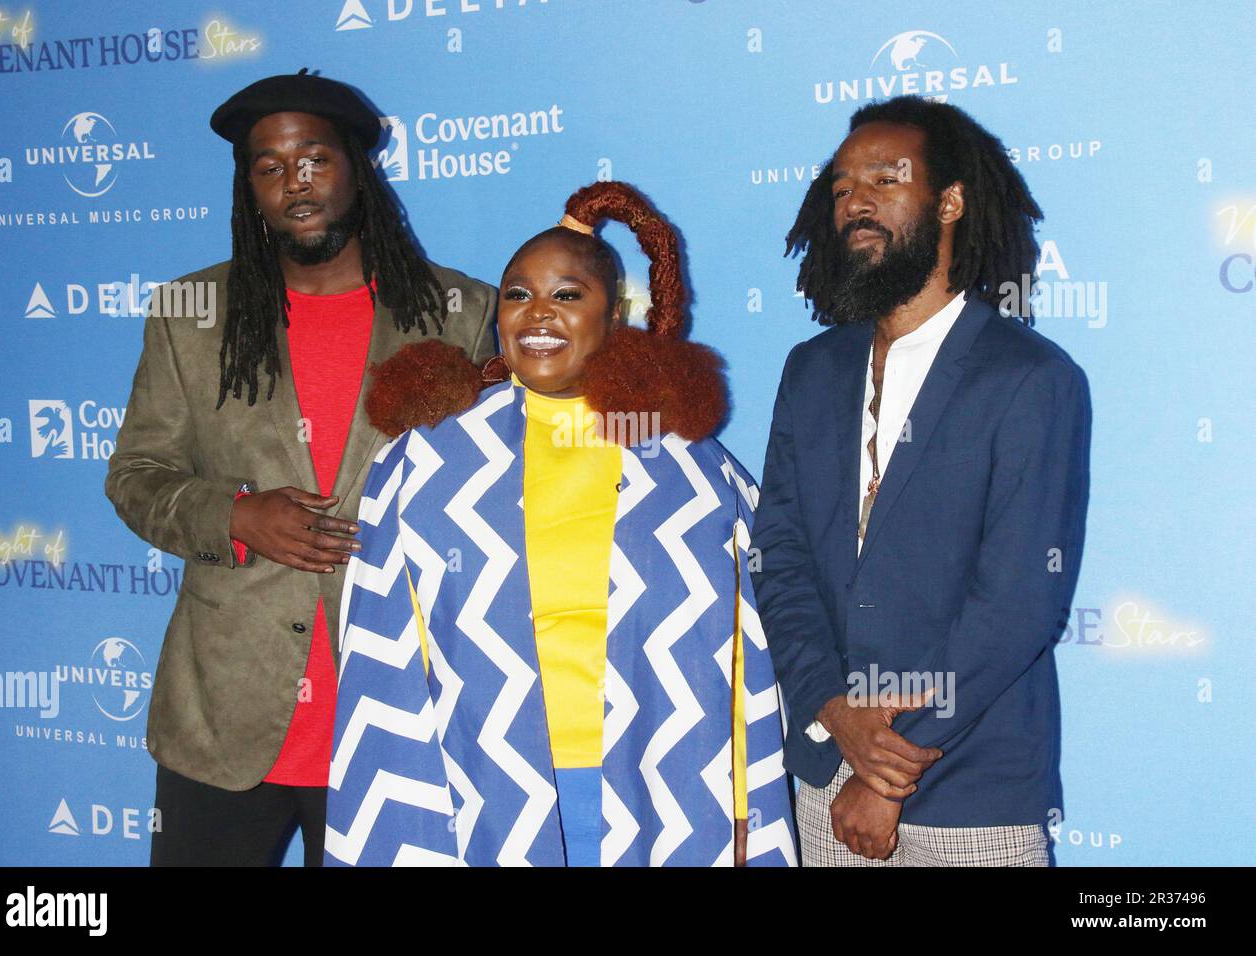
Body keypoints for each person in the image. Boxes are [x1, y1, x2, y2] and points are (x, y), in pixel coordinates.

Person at [324, 181, 796, 866]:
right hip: (474, 789)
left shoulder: (689, 469)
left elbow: (741, 650)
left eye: (568, 295)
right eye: (518, 294)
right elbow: (381, 659)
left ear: (617, 314)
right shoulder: (424, 460)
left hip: (661, 789)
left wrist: (744, 802)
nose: (537, 314)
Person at [105, 70, 497, 866]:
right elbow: (136, 475)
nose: (296, 183)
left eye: (315, 159)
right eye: (270, 166)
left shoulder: (462, 314)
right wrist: (234, 516)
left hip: (401, 713)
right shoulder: (191, 317)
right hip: (226, 716)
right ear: (249, 187)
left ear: (357, 167)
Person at [753, 95, 1091, 866]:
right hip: (820, 779)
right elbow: (779, 554)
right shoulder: (811, 370)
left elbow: (1019, 603)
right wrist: (836, 713)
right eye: (840, 187)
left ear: (950, 200)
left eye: (884, 177)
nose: (855, 201)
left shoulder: (1030, 378)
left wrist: (887, 773)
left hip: (968, 790)